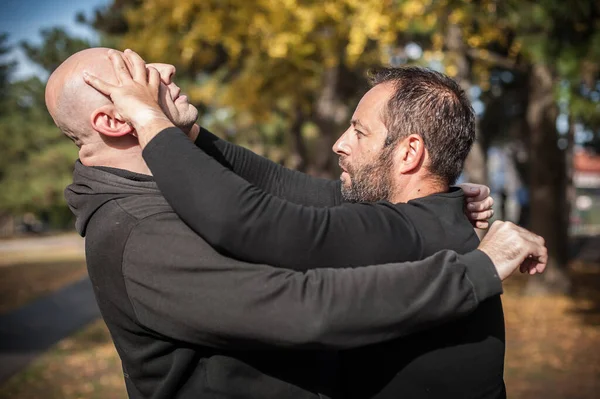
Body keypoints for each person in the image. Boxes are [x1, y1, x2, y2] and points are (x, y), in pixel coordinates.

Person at [48, 48, 546, 399]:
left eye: (358, 130)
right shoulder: (138, 235)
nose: (166, 67)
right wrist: (476, 261)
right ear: (115, 121)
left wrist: (163, 123)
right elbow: (275, 236)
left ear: (410, 152)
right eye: (137, 75)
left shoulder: (399, 226)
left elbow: (276, 204)